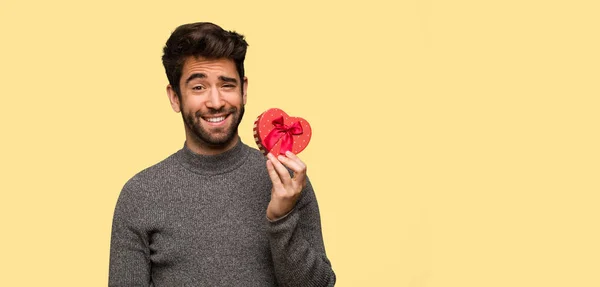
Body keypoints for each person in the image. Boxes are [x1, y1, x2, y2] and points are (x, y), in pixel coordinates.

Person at [108, 22, 335, 286]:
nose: (216, 103)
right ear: (174, 97)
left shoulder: (288, 183)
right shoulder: (140, 194)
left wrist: (281, 218)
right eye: (198, 88)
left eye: (227, 85)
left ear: (244, 89)